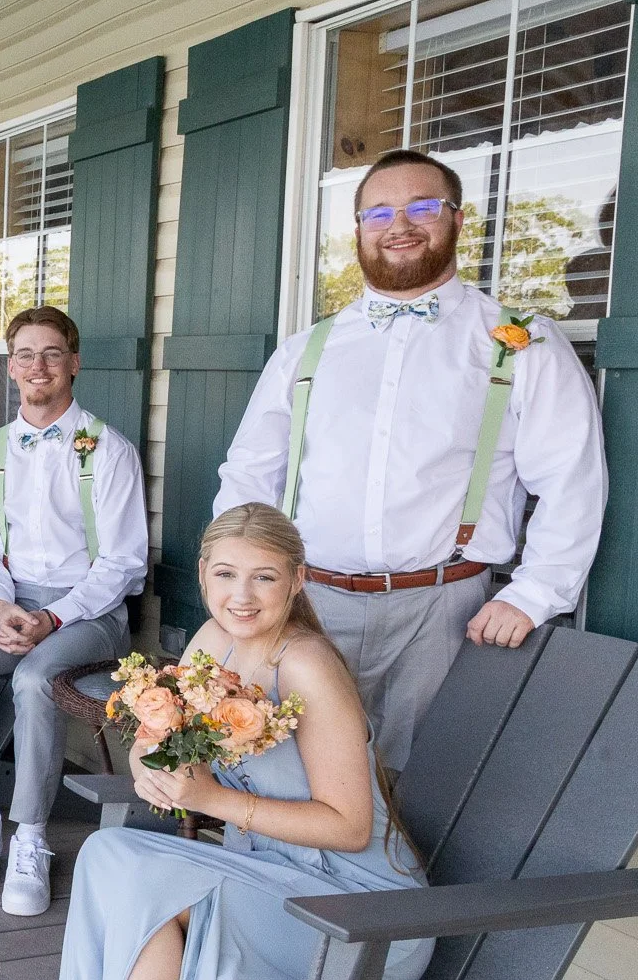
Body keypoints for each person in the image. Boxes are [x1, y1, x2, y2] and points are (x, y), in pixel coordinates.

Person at [0, 502, 431, 980]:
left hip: (366, 918)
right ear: (202, 574)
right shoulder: (213, 644)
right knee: (106, 852)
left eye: (263, 577)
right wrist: (151, 764)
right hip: (277, 884)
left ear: (297, 579)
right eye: (225, 574)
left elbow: (350, 827)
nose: (242, 595)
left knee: (159, 886)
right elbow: (156, 739)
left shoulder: (308, 666)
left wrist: (215, 798)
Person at [215, 149, 606, 772]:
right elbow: (250, 474)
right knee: (282, 769)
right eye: (379, 212)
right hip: (310, 600)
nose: (400, 224)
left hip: (445, 611)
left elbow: (571, 477)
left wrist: (534, 594)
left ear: (456, 220)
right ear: (359, 231)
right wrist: (240, 579)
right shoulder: (306, 350)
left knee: (422, 781)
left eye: (423, 206)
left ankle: (397, 875)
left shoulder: (521, 341)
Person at [0, 306, 148, 918]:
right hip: (8, 602)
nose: (37, 366)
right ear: (10, 366)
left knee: (36, 677)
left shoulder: (109, 450)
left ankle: (31, 836)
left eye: (50, 354)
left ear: (73, 362)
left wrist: (53, 619)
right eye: (24, 355)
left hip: (89, 614)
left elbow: (121, 565)